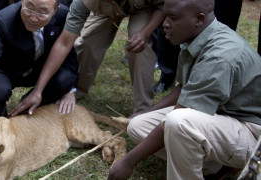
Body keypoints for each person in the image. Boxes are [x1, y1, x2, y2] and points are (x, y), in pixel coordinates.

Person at [107, 0, 261, 179]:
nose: (164, 24)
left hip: (252, 133)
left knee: (178, 122)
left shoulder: (219, 57)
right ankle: (215, 167)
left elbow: (181, 113)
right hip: (223, 117)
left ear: (199, 19)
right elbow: (184, 88)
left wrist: (128, 161)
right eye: (165, 16)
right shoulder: (194, 36)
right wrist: (147, 112)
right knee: (138, 126)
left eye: (173, 18)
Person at [10, 0, 166, 115]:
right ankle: (76, 90)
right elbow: (64, 43)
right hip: (103, 9)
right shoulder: (83, 2)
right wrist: (39, 90)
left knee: (138, 47)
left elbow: (162, 6)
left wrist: (145, 32)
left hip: (142, 8)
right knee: (86, 43)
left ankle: (143, 109)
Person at [0, 0, 78, 136]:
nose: (33, 18)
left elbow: (68, 51)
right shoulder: (3, 19)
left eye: (42, 12)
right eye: (29, 8)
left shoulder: (65, 16)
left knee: (65, 80)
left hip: (42, 70)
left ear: (55, 10)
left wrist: (70, 90)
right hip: (8, 69)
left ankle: (31, 103)